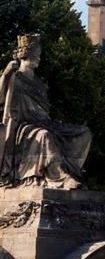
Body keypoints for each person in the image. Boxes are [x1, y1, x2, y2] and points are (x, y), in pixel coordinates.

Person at [0, 34, 91, 188]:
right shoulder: (14, 78)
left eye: (39, 55)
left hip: (45, 123)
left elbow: (44, 112)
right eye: (36, 55)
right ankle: (59, 176)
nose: (39, 59)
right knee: (44, 136)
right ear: (25, 54)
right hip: (24, 128)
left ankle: (72, 173)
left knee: (83, 133)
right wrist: (6, 74)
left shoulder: (39, 83)